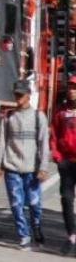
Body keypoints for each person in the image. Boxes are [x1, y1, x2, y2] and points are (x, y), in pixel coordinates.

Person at [0, 79, 50, 249]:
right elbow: (2, 141)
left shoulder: (38, 117)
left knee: (34, 203)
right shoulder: (9, 117)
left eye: (21, 94)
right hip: (12, 167)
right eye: (16, 94)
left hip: (32, 169)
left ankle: (36, 226)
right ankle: (24, 235)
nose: (18, 97)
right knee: (16, 204)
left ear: (28, 95)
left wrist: (43, 167)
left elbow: (44, 143)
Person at [53, 74, 76, 254]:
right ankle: (71, 235)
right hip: (67, 163)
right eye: (70, 87)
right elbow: (54, 135)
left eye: (75, 87)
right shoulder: (61, 112)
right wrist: (58, 156)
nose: (72, 91)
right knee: (66, 199)